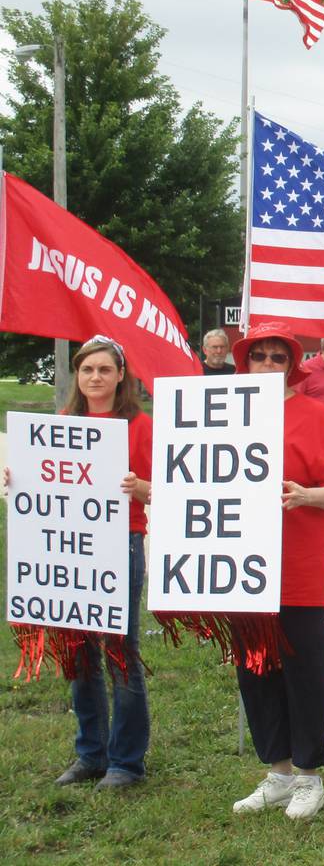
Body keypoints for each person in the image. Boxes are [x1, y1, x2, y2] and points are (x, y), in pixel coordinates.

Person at [229, 322, 324, 821]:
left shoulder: (315, 416)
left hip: (301, 571)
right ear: (246, 363)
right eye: (261, 356)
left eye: (279, 358)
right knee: (256, 673)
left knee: (305, 674)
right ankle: (277, 774)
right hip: (240, 572)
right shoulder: (221, 417)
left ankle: (308, 775)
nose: (270, 365)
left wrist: (305, 496)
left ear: (291, 366)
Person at [50, 336, 154, 789]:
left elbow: (162, 489)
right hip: (70, 548)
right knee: (78, 652)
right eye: (87, 369)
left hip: (121, 544)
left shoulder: (139, 426)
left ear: (120, 377)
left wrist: (140, 487)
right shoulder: (62, 423)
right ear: (78, 375)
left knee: (119, 651)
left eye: (104, 370)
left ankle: (126, 761)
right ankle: (90, 753)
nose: (95, 377)